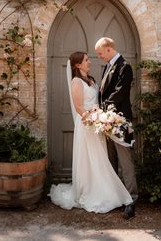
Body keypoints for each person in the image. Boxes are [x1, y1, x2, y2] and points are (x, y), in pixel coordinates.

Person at [49, 51, 133, 213]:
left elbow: (98, 101)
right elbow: (79, 107)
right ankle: (90, 191)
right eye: (86, 60)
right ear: (77, 65)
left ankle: (105, 190)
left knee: (101, 158)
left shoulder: (92, 81)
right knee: (90, 159)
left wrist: (100, 118)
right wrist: (94, 119)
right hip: (87, 125)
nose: (90, 62)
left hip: (97, 125)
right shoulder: (76, 82)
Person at [95, 37, 138, 219]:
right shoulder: (107, 66)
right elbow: (103, 91)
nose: (99, 57)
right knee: (110, 159)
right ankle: (115, 196)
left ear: (109, 49)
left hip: (121, 121)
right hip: (107, 120)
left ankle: (131, 199)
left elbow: (120, 91)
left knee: (125, 160)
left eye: (100, 53)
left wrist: (104, 108)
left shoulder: (124, 67)